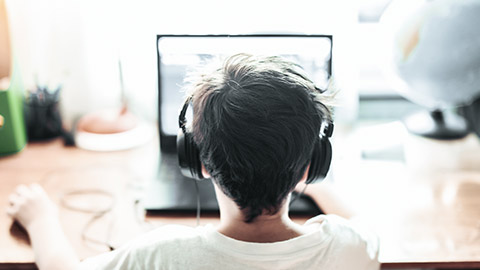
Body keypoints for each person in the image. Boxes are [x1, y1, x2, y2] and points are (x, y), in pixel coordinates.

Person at [7, 54, 379, 270]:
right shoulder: (349, 247)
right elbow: (365, 225)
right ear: (311, 166)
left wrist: (40, 220)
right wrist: (309, 177)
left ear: (196, 161)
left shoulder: (161, 255)